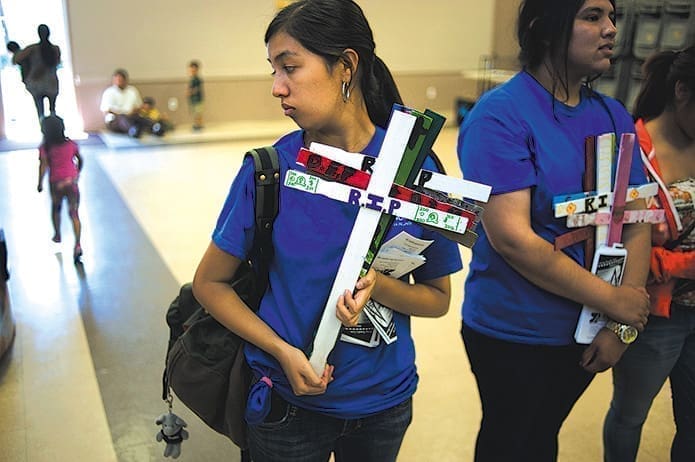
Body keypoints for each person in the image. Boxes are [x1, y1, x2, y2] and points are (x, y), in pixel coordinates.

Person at [191, 1, 462, 461]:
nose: (277, 88)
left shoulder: (414, 170)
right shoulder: (271, 171)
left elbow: (437, 299)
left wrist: (379, 288)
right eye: (273, 71)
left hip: (385, 403)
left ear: (347, 66)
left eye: (290, 68)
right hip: (286, 405)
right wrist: (280, 350)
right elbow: (209, 284)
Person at [456, 1, 652, 461]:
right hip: (514, 333)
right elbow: (513, 239)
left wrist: (621, 324)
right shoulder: (501, 115)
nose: (610, 29)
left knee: (543, 438)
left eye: (611, 17)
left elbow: (636, 221)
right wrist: (614, 303)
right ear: (547, 28)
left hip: (589, 329)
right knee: (511, 442)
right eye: (592, 16)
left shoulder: (612, 116)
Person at [603, 46, 695, 462]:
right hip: (654, 314)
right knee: (630, 415)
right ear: (681, 91)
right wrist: (679, 265)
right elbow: (615, 240)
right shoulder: (633, 150)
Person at [37, 115, 83, 263]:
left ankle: (57, 234)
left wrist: (39, 183)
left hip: (56, 183)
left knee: (56, 209)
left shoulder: (45, 147)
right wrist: (77, 173)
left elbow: (43, 165)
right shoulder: (71, 144)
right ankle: (77, 244)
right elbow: (80, 159)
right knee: (74, 213)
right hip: (72, 183)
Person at [10, 24, 61, 121]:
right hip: (52, 82)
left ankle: (44, 131)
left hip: (36, 81)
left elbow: (16, 60)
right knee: (53, 110)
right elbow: (57, 63)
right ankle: (55, 130)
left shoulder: (32, 48)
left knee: (40, 111)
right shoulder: (55, 49)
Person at [99, 68, 142, 135]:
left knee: (141, 118)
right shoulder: (109, 92)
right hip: (115, 120)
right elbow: (106, 111)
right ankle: (133, 131)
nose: (118, 82)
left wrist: (131, 113)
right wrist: (121, 114)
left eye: (120, 80)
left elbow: (138, 107)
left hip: (130, 116)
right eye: (116, 80)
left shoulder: (132, 90)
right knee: (122, 118)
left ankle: (156, 128)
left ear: (125, 80)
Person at [187, 60, 204, 130]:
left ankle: (198, 125)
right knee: (195, 113)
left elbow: (197, 89)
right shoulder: (192, 78)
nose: (192, 70)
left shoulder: (197, 79)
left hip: (198, 99)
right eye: (191, 69)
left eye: (194, 69)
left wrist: (190, 92)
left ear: (197, 69)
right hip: (193, 99)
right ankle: (197, 124)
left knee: (198, 113)